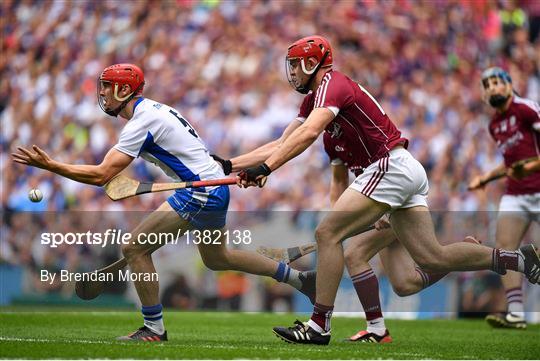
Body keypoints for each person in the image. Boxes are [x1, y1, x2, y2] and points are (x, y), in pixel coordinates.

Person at [236, 35, 540, 345]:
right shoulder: (313, 102)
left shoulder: (331, 84)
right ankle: (518, 260)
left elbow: (309, 133)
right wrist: (229, 165)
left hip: (389, 166)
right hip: (398, 172)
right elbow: (282, 143)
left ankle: (319, 326)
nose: (293, 73)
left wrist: (267, 169)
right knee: (432, 257)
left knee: (328, 234)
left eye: (295, 66)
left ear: (312, 63)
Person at [11, 63, 316, 342]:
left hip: (200, 192)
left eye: (106, 86)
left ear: (123, 89)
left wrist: (52, 165)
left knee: (133, 247)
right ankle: (299, 279)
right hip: (212, 189)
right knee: (217, 258)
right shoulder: (155, 111)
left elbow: (102, 175)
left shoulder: (141, 122)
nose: (101, 92)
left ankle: (154, 328)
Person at [214, 113, 479, 344]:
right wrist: (338, 220)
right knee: (404, 284)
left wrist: (381, 209)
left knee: (355, 254)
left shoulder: (366, 131)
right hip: (380, 203)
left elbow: (393, 173)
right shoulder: (333, 141)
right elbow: (339, 184)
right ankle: (459, 258)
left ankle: (375, 329)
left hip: (396, 202)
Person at [468, 67, 540, 329]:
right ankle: (516, 312)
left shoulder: (526, 108)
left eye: (497, 83)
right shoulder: (494, 124)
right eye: (487, 85)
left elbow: (527, 162)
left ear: (509, 85)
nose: (493, 89)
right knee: (505, 250)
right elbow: (511, 163)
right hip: (516, 193)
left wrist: (530, 168)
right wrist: (486, 178)